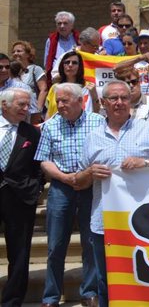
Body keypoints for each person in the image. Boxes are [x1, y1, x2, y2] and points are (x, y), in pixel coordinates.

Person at [75, 80, 149, 306]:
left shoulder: (148, 129)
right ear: (103, 103)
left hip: (148, 222)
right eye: (113, 98)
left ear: (130, 101)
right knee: (106, 282)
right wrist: (90, 172)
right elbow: (78, 182)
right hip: (105, 222)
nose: (119, 103)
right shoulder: (92, 137)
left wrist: (146, 162)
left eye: (124, 98)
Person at [34, 83, 103, 307]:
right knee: (55, 245)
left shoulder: (97, 121)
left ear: (79, 101)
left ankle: (89, 291)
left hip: (91, 186)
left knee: (90, 242)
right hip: (61, 188)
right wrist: (65, 178)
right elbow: (44, 160)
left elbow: (105, 152)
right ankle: (51, 296)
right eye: (58, 101)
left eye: (64, 100)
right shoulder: (51, 125)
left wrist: (85, 177)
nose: (60, 105)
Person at [0, 88, 42, 307]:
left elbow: (39, 167)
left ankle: (12, 301)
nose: (27, 110)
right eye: (22, 105)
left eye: (28, 105)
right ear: (4, 105)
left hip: (20, 198)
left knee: (19, 253)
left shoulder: (33, 133)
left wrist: (34, 188)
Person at [45, 51, 99, 120]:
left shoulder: (89, 87)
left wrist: (94, 96)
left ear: (80, 67)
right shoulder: (55, 88)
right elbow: (49, 113)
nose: (70, 65)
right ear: (62, 65)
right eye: (67, 62)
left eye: (74, 63)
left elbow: (96, 112)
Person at [112, 29, 149, 98]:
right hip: (140, 102)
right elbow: (115, 68)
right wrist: (139, 58)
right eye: (140, 43)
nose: (142, 46)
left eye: (145, 43)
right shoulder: (135, 62)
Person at [11, 40, 48, 118]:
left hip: (32, 112)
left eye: (19, 51)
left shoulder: (35, 69)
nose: (15, 53)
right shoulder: (12, 71)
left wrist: (38, 110)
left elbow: (43, 90)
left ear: (28, 54)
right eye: (13, 52)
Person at [0, 55, 39, 123]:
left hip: (16, 131)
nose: (4, 70)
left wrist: (29, 131)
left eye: (7, 67)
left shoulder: (22, 88)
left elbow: (34, 113)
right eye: (0, 67)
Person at [44, 11, 79, 85]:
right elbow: (47, 62)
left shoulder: (79, 39)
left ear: (72, 25)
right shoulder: (51, 40)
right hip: (57, 79)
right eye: (59, 23)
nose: (62, 26)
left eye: (65, 23)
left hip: (76, 78)